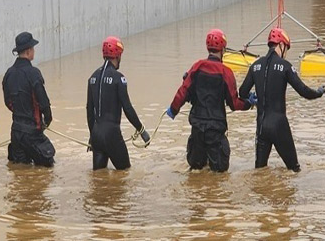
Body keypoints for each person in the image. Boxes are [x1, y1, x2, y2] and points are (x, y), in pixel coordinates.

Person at [239, 27, 325, 172]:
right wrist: (318, 92)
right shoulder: (285, 66)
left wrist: (252, 98)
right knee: (295, 170)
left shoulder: (255, 65)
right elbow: (304, 91)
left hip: (261, 126)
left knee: (260, 172)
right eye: (286, 48)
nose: (286, 53)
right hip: (279, 125)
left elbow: (242, 92)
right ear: (281, 45)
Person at [165, 29, 252, 172]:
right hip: (215, 130)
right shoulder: (226, 72)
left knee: (196, 170)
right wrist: (248, 103)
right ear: (223, 49)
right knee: (219, 173)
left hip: (197, 129)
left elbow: (183, 91)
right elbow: (234, 104)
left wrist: (173, 110)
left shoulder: (197, 67)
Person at [86, 36, 150, 170]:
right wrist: (141, 130)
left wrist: (93, 135)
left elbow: (89, 111)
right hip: (112, 135)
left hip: (96, 135)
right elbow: (127, 108)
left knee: (99, 178)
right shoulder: (119, 78)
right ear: (118, 55)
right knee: (125, 173)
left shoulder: (92, 78)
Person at [2, 32, 55, 167]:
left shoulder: (8, 74)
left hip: (16, 132)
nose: (34, 51)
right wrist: (46, 121)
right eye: (33, 48)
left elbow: (8, 102)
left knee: (20, 171)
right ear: (28, 51)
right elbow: (44, 103)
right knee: (48, 168)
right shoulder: (34, 73)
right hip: (32, 133)